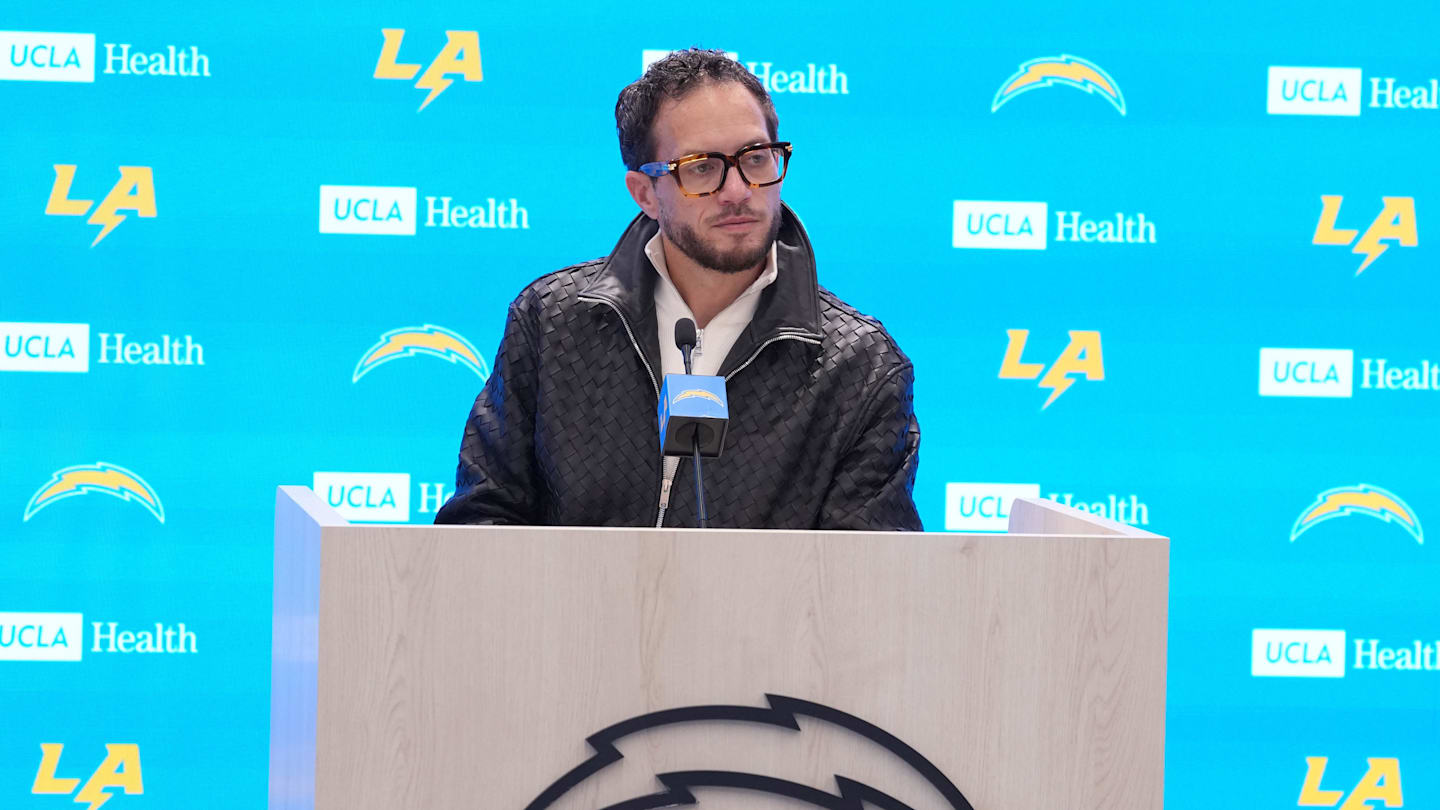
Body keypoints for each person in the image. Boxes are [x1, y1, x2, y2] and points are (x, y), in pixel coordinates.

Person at [434, 48, 920, 530]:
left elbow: (867, 583)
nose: (737, 191)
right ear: (645, 194)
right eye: (701, 167)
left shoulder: (860, 365)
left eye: (755, 158)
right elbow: (481, 521)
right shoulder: (552, 323)